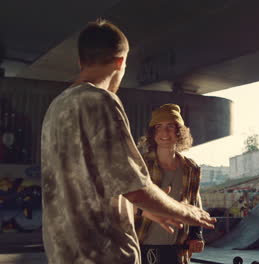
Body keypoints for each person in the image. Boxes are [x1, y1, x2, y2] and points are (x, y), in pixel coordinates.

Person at [41, 19, 215, 264]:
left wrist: (147, 210)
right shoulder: (100, 100)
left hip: (65, 253)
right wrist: (187, 211)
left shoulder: (57, 107)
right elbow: (135, 186)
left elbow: (94, 187)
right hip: (104, 254)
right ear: (120, 62)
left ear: (81, 60)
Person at [135, 104, 205, 264]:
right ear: (152, 133)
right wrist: (145, 210)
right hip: (142, 246)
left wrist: (196, 234)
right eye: (158, 127)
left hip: (177, 250)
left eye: (170, 127)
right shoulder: (140, 165)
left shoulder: (191, 168)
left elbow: (195, 203)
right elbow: (122, 203)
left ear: (179, 131)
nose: (164, 133)